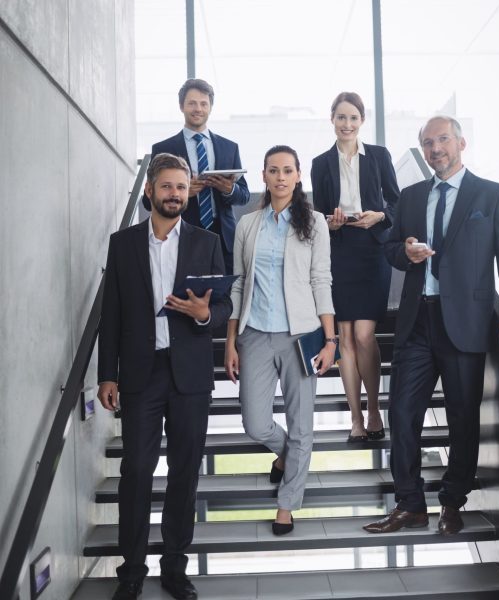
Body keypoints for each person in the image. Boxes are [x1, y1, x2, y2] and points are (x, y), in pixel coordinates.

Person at [363, 116, 499, 537]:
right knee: (401, 414)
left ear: (461, 143)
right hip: (417, 321)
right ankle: (410, 504)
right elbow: (391, 250)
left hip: (467, 323)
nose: (435, 149)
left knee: (462, 419)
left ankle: (453, 501)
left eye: (442, 140)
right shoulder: (413, 196)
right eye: (427, 143)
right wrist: (405, 251)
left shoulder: (491, 195)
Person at [98, 153, 232, 600]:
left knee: (185, 471)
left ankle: (175, 566)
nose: (174, 194)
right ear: (151, 190)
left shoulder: (206, 242)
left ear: (188, 191)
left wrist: (203, 314)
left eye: (181, 187)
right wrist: (106, 374)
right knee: (136, 470)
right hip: (141, 372)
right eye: (167, 186)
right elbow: (111, 313)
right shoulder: (123, 244)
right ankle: (131, 570)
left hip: (190, 374)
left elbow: (224, 306)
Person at [225, 145, 336, 535]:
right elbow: (238, 285)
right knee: (255, 423)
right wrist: (230, 340)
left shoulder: (315, 223)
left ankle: (287, 505)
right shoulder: (247, 225)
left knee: (301, 424)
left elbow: (321, 280)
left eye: (288, 170)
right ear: (264, 176)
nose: (281, 177)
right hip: (254, 334)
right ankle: (287, 455)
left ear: (298, 175)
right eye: (274, 170)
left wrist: (330, 339)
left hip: (301, 336)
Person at [311, 92, 401, 442]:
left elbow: (396, 201)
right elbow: (319, 213)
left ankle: (375, 409)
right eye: (341, 118)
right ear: (331, 120)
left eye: (353, 118)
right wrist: (330, 223)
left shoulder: (379, 156)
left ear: (361, 121)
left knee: (365, 335)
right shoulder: (320, 163)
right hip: (339, 251)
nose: (347, 124)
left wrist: (379, 216)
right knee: (345, 338)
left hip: (372, 250)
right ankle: (355, 418)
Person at [142, 78, 250, 273]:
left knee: (223, 298)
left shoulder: (229, 148)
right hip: (181, 234)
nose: (198, 109)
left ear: (210, 107)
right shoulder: (163, 148)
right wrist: (182, 192)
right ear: (181, 106)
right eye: (191, 103)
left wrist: (229, 189)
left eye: (203, 104)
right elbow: (148, 201)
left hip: (223, 238)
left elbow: (244, 195)